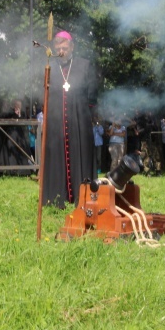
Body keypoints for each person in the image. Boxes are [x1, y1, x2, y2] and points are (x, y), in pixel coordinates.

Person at [42, 31, 97, 207]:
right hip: (56, 122)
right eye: (58, 47)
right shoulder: (49, 68)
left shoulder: (84, 65)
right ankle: (57, 197)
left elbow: (92, 94)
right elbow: (44, 94)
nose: (61, 50)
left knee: (80, 154)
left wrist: (84, 113)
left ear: (72, 47)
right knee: (57, 155)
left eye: (64, 47)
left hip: (79, 120)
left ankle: (83, 196)